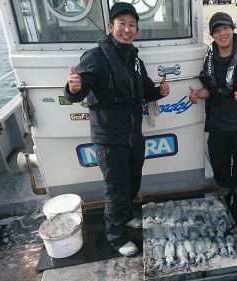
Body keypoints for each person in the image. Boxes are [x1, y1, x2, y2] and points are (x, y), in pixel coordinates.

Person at [64, 3, 169, 256]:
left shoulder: (134, 58)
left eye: (132, 24)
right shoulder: (96, 56)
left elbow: (144, 90)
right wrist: (73, 88)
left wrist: (159, 92)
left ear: (136, 30)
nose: (127, 29)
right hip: (110, 138)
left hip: (134, 135)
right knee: (116, 189)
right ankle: (116, 236)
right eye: (122, 23)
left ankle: (125, 217)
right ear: (111, 27)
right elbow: (74, 94)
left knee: (132, 184)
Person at [189, 12, 237, 206]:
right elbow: (209, 90)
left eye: (225, 28)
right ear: (212, 35)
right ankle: (225, 187)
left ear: (232, 29)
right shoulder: (209, 59)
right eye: (217, 30)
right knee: (218, 160)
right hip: (217, 122)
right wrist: (197, 93)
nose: (222, 34)